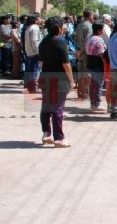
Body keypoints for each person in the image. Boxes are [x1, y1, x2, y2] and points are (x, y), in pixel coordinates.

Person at [37, 17, 73, 148]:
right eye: (62, 26)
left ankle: (47, 134)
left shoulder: (43, 42)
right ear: (58, 28)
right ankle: (59, 138)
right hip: (59, 79)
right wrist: (71, 80)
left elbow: (40, 63)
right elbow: (66, 64)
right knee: (58, 108)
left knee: (46, 107)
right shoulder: (61, 41)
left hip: (46, 77)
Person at [86, 23, 108, 112]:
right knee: (98, 85)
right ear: (99, 30)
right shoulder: (99, 40)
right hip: (97, 64)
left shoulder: (90, 38)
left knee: (93, 85)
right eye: (103, 29)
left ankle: (93, 103)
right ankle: (96, 104)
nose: (103, 31)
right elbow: (102, 54)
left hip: (91, 63)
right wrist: (106, 65)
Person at [74, 10, 94, 99]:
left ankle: (80, 92)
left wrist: (77, 51)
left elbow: (75, 38)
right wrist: (81, 51)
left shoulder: (79, 25)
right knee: (86, 73)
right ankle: (85, 93)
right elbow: (87, 41)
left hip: (79, 52)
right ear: (89, 15)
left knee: (80, 73)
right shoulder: (89, 26)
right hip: (85, 53)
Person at [24, 16, 42, 92]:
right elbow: (35, 42)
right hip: (34, 52)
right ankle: (34, 87)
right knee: (35, 70)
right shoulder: (34, 28)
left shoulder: (29, 28)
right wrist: (38, 52)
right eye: (39, 18)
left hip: (29, 51)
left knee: (31, 70)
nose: (41, 19)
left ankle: (30, 86)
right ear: (35, 20)